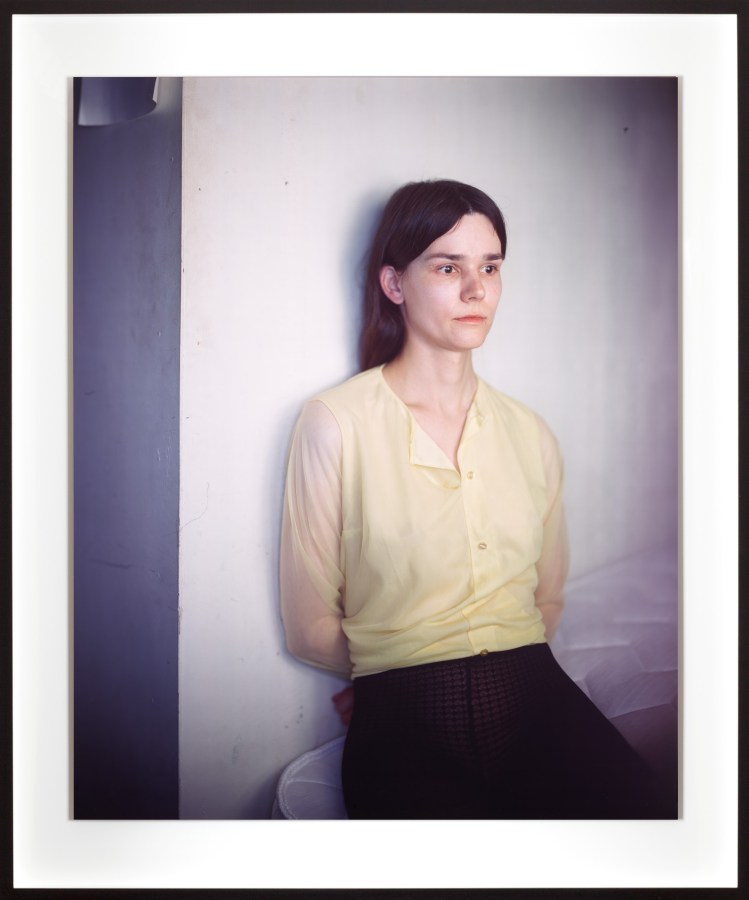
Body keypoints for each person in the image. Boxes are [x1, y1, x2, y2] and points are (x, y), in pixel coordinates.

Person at [280, 179, 665, 819]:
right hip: (403, 720)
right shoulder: (334, 423)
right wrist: (386, 677)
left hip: (538, 696)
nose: (475, 289)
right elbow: (309, 626)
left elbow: (546, 596)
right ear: (394, 284)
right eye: (447, 266)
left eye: (489, 267)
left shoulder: (530, 432)